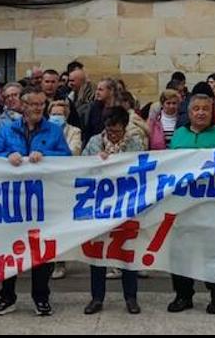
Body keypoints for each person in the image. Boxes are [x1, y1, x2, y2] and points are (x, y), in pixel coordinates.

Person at [0, 89, 71, 317]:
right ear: (23, 106)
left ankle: (41, 298)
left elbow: (66, 158)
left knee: (41, 251)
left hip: (43, 201)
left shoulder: (54, 131)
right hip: (12, 201)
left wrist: (44, 154)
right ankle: (7, 297)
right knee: (8, 249)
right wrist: (6, 157)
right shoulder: (7, 130)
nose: (38, 108)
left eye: (41, 104)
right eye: (33, 104)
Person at [168, 94, 215, 315]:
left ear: (212, 112)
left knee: (213, 251)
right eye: (196, 109)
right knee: (181, 251)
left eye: (205, 109)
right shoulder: (178, 135)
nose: (200, 113)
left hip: (212, 205)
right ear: (188, 113)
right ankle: (183, 294)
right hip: (183, 205)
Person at [81, 106, 144, 315]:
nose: (113, 135)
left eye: (117, 131)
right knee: (97, 253)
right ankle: (97, 297)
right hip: (100, 204)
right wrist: (95, 161)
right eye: (109, 130)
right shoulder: (94, 142)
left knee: (127, 252)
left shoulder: (135, 143)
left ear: (124, 127)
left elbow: (142, 169)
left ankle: (131, 297)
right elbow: (80, 168)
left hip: (126, 204)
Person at [79, 78, 114, 146]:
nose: (97, 93)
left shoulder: (118, 109)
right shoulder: (92, 108)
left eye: (101, 90)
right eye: (97, 89)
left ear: (111, 91)